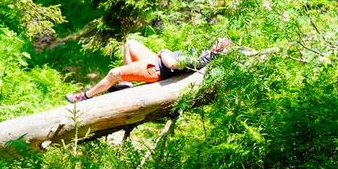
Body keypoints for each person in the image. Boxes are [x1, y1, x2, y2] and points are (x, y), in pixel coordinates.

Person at [65, 37, 233, 103]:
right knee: (130, 43)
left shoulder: (203, 59)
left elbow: (173, 65)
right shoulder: (206, 53)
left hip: (156, 69)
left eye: (216, 42)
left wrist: (165, 52)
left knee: (113, 73)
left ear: (219, 48)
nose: (213, 42)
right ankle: (125, 83)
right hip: (156, 60)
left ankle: (84, 96)